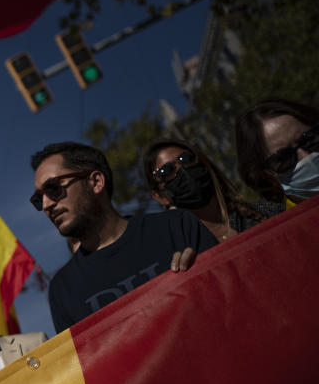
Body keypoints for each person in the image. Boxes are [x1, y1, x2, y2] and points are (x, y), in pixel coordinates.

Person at [30, 142, 218, 333]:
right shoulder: (63, 290)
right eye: (39, 198)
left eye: (53, 188)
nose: (46, 205)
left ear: (96, 182)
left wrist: (200, 275)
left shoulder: (176, 226)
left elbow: (229, 301)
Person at [142, 138, 283, 241]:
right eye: (166, 171)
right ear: (160, 196)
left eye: (186, 158)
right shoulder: (177, 252)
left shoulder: (269, 211)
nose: (182, 169)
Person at [235, 98, 319, 203]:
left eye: (308, 140)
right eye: (283, 158)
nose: (306, 157)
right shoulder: (281, 218)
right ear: (267, 176)